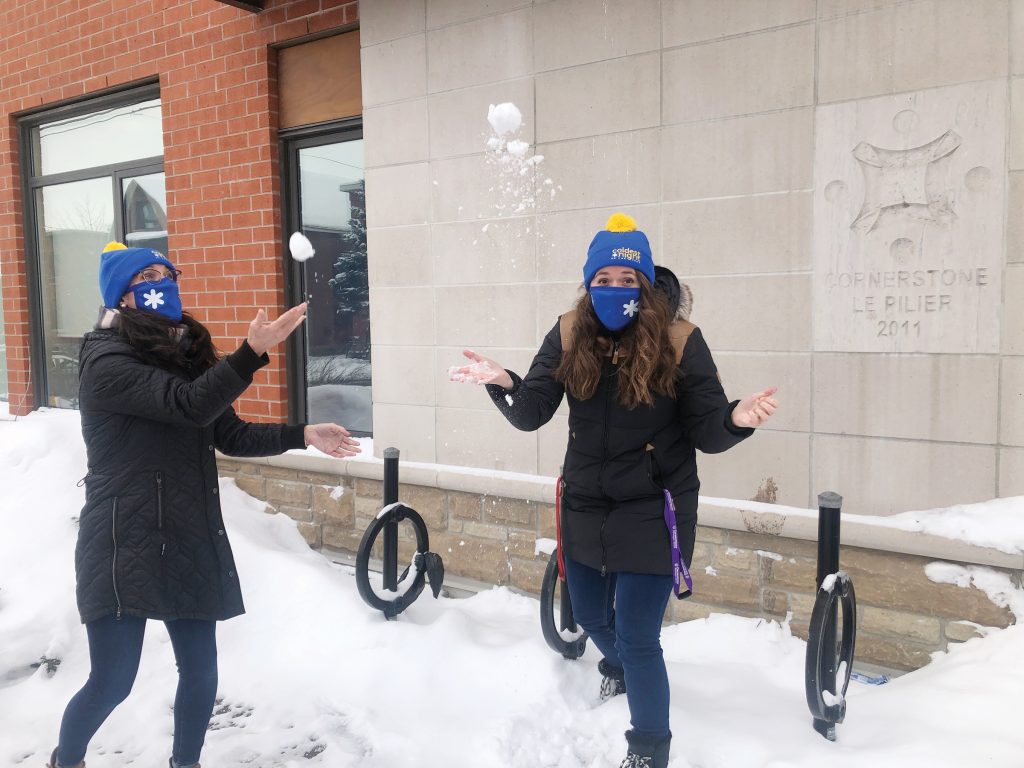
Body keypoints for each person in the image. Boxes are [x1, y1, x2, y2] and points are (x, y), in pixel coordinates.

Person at [449, 214, 777, 768]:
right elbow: (533, 412)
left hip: (655, 506)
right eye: (604, 279)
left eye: (628, 280)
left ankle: (649, 750)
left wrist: (737, 418)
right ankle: (621, 667)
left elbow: (706, 431)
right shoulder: (569, 332)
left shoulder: (680, 340)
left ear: (646, 284)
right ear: (588, 283)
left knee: (638, 634)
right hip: (585, 501)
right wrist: (504, 382)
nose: (615, 289)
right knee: (595, 620)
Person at [48, 242, 361, 768]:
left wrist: (303, 433)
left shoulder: (188, 355)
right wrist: (250, 354)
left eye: (166, 273)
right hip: (125, 536)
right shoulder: (106, 360)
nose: (161, 282)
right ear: (120, 296)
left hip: (187, 531)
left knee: (201, 671)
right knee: (113, 680)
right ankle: (66, 760)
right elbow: (188, 406)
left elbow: (228, 433)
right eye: (146, 275)